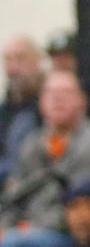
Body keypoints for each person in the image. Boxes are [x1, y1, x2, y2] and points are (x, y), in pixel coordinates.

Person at [0, 71, 90, 247]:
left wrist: (27, 229)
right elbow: (13, 196)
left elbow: (86, 214)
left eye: (66, 93)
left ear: (82, 101)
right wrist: (6, 226)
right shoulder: (32, 143)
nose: (57, 99)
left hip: (72, 237)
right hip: (24, 232)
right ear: (41, 102)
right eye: (50, 93)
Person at [0, 36, 43, 188]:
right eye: (8, 60)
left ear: (38, 61)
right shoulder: (4, 111)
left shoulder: (49, 108)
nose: (13, 69)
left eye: (20, 59)